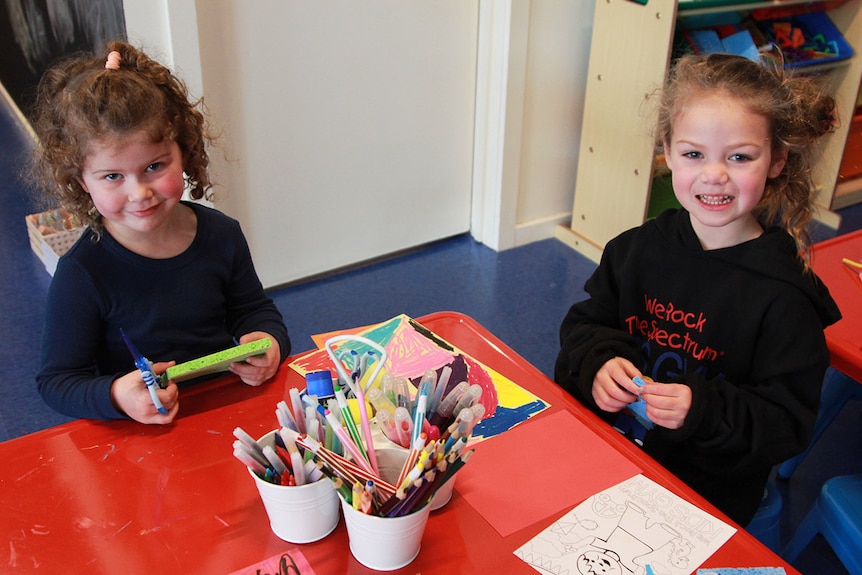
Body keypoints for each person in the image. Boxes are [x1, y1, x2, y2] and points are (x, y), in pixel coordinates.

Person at [554, 53, 842, 526]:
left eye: (740, 156)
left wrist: (702, 409)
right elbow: (586, 325)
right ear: (667, 152)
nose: (714, 174)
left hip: (703, 497)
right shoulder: (635, 250)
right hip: (608, 460)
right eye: (693, 154)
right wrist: (598, 365)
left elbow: (786, 425)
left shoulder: (785, 297)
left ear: (776, 160)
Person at [29, 41, 290, 425]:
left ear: (182, 152)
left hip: (228, 410)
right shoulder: (82, 273)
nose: (139, 193)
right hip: (140, 431)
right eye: (113, 176)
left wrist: (268, 343)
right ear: (82, 181)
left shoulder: (222, 234)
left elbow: (253, 310)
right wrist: (118, 396)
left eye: (154, 166)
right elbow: (58, 381)